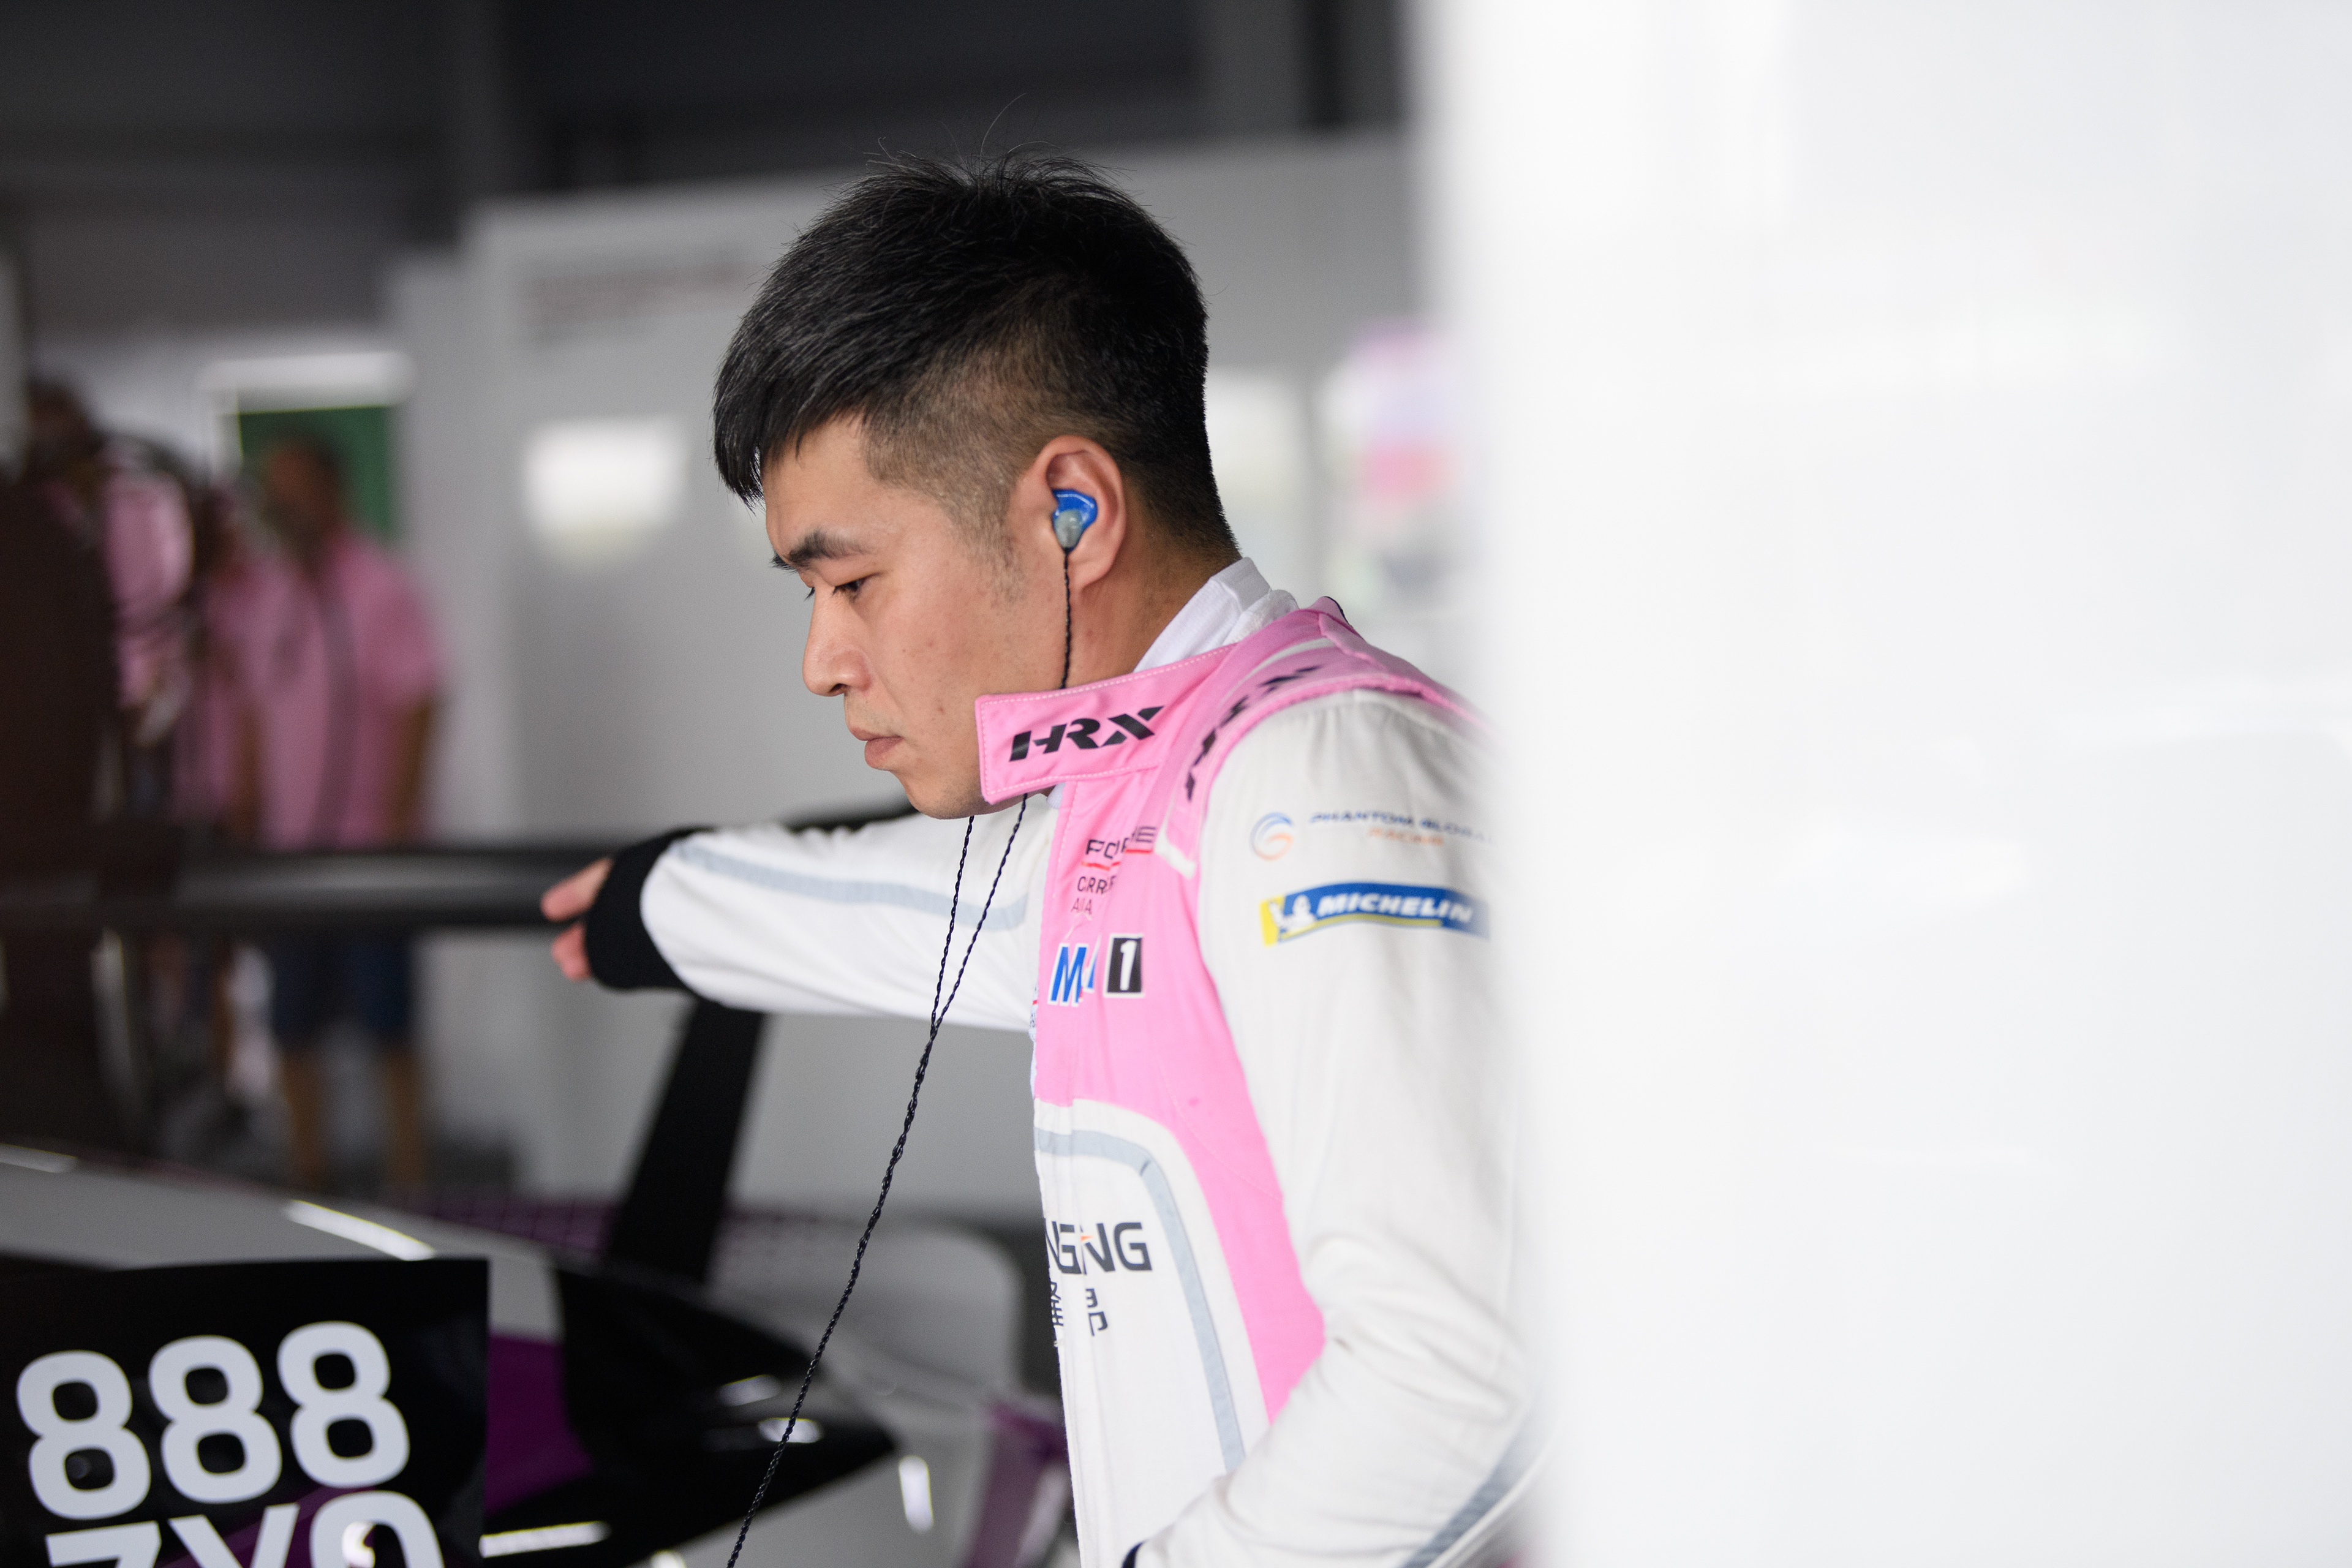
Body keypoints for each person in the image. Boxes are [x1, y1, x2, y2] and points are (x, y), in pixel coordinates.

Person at [541, 154, 1528, 1566]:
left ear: (1072, 509)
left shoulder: (1317, 777)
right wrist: (656, 903)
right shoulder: (1157, 781)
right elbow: (892, 905)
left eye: (851, 581)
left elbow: (1466, 1370)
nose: (823, 658)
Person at [241, 435, 441, 1191]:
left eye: (293, 488)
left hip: (367, 856)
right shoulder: (268, 593)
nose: (279, 505)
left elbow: (420, 701)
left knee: (389, 1024)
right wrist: (244, 815)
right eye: (272, 489)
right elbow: (254, 713)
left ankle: (409, 1178)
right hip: (287, 859)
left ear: (332, 493)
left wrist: (397, 824)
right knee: (292, 1023)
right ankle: (308, 1173)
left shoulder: (381, 586)